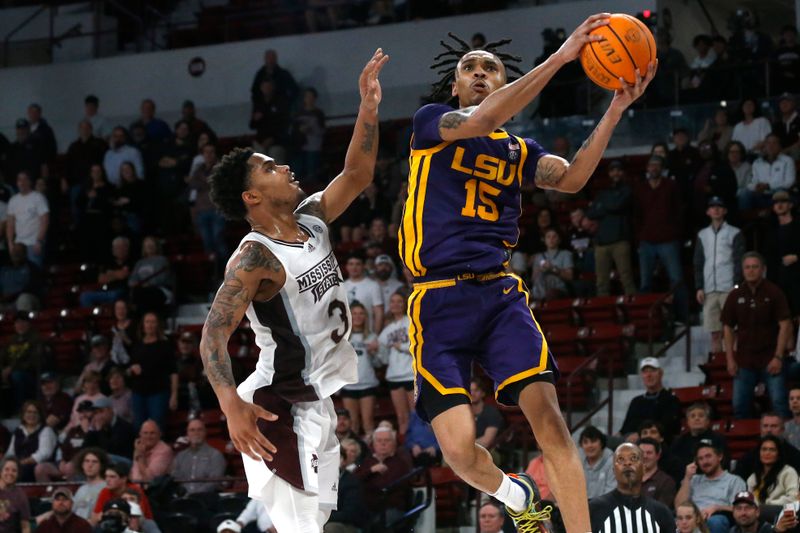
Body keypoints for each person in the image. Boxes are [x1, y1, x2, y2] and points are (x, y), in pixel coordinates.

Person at [400, 17, 655, 530]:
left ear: (502, 82)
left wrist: (614, 109)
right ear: (455, 86)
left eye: (489, 68)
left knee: (551, 421)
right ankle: (514, 491)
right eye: (468, 67)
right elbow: (478, 120)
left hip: (499, 296)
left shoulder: (520, 152)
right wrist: (562, 57)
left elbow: (574, 178)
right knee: (458, 452)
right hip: (437, 300)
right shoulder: (433, 123)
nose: (478, 73)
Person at [199, 50, 387, 533]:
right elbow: (212, 337)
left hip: (316, 399)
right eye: (269, 168)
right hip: (275, 403)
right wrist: (231, 407)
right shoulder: (253, 258)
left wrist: (368, 107)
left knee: (315, 523)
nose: (282, 166)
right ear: (252, 197)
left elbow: (358, 175)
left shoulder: (310, 220)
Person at [722, 252, 793, 419]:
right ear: (742, 270)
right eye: (747, 267)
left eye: (755, 267)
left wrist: (778, 356)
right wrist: (730, 359)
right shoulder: (735, 295)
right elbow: (727, 328)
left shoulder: (774, 292)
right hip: (744, 361)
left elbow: (785, 325)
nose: (751, 271)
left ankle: (783, 442)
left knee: (779, 403)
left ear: (763, 269)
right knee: (739, 405)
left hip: (770, 359)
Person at [634, 155, 687, 320]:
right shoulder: (641, 188)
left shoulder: (671, 186)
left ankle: (682, 317)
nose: (653, 168)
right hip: (647, 240)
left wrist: (676, 232)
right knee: (645, 283)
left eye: (657, 165)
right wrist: (640, 237)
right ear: (647, 168)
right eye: (651, 165)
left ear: (662, 168)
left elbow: (679, 210)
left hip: (668, 239)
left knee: (676, 279)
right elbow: (636, 215)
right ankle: (646, 320)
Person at [694, 196, 745, 353]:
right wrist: (699, 287)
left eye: (719, 206)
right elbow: (698, 262)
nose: (716, 209)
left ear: (725, 211)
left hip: (728, 287)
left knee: (730, 330)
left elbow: (739, 260)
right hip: (709, 289)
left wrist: (736, 285)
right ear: (708, 212)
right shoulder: (702, 235)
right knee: (714, 333)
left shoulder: (735, 232)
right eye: (712, 207)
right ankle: (718, 363)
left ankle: (733, 362)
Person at [589, 443, 674, 533]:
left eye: (634, 458)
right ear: (614, 470)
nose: (627, 463)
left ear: (644, 469)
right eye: (621, 459)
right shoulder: (594, 509)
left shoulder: (661, 513)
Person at [585, 159, 636, 296]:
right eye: (612, 170)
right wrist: (610, 205)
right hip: (602, 242)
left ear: (623, 172)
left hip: (620, 240)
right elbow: (591, 212)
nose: (616, 173)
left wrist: (604, 206)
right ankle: (603, 312)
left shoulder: (627, 189)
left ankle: (634, 309)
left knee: (626, 278)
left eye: (618, 170)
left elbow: (617, 205)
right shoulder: (603, 192)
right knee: (601, 281)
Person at [674, 442, 746, 533]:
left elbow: (741, 508)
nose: (705, 461)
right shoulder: (693, 480)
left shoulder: (734, 481)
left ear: (719, 457)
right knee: (673, 520)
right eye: (700, 459)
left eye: (708, 456)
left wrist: (717, 508)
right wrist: (687, 478)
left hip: (715, 519)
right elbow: (679, 506)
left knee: (715, 521)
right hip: (691, 518)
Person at [128, 313, 178, 430]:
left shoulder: (165, 345)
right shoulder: (137, 345)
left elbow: (173, 371)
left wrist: (174, 394)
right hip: (138, 392)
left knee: (156, 426)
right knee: (138, 427)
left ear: (157, 325)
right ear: (143, 325)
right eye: (147, 322)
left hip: (158, 392)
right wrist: (132, 369)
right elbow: (130, 366)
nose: (150, 325)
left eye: (153, 322)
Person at [353, 426, 413, 524]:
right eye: (379, 440)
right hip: (366, 508)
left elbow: (386, 486)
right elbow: (354, 480)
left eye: (387, 440)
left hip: (391, 508)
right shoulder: (367, 462)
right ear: (373, 444)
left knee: (381, 522)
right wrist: (371, 471)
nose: (383, 443)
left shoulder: (400, 463)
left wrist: (367, 483)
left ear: (394, 443)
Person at [339, 301, 379, 437]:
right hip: (349, 385)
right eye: (354, 313)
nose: (358, 316)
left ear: (365, 316)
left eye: (361, 313)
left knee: (368, 423)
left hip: (367, 383)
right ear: (349, 315)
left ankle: (372, 455)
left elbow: (379, 362)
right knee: (353, 424)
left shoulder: (372, 337)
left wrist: (375, 352)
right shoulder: (342, 337)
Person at [618, 357, 682, 441]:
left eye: (652, 370)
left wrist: (641, 435)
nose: (649, 375)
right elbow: (624, 429)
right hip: (629, 440)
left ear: (660, 373)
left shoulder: (671, 400)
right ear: (642, 376)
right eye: (645, 372)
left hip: (652, 442)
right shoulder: (636, 401)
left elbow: (667, 428)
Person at [377, 290, 413, 435]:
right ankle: (405, 446)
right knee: (401, 417)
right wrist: (377, 351)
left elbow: (420, 348)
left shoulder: (411, 322)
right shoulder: (387, 330)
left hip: (410, 374)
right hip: (394, 376)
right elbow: (383, 357)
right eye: (392, 301)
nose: (395, 304)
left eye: (399, 301)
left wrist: (401, 347)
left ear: (405, 304)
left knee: (416, 415)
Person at [733, 413, 800, 483]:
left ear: (782, 429)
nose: (769, 430)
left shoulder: (795, 456)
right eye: (765, 426)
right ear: (760, 429)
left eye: (774, 426)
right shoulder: (749, 457)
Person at [765, 190, 800, 319]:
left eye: (783, 202)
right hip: (780, 281)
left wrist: (797, 257)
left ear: (790, 205)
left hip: (797, 278)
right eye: (776, 203)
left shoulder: (797, 226)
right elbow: (769, 259)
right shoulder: (771, 230)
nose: (779, 205)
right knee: (784, 321)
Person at [745, 435, 799, 519]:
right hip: (758, 512)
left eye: (772, 450)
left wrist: (767, 504)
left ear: (778, 454)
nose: (767, 453)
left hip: (783, 511)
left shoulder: (788, 472)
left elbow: (793, 498)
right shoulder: (753, 478)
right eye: (764, 449)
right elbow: (751, 501)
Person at [0, 311, 44, 412]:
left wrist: (11, 369)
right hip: (10, 373)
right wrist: (2, 370)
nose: (20, 325)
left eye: (23, 322)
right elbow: (2, 357)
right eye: (17, 323)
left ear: (28, 323)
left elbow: (35, 362)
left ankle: (21, 409)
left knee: (17, 376)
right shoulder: (11, 340)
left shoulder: (36, 338)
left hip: (30, 375)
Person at [170, 418, 226, 494]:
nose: (196, 433)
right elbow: (175, 478)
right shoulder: (180, 456)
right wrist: (184, 493)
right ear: (187, 433)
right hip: (183, 498)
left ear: (205, 432)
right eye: (192, 430)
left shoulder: (215, 455)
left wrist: (195, 494)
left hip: (207, 498)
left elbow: (214, 482)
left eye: (199, 430)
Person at [5, 400, 57, 482]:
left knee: (21, 471)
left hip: (36, 466)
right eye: (28, 412)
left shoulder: (46, 430)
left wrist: (23, 462)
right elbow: (10, 453)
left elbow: (44, 453)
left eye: (35, 412)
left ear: (40, 415)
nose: (31, 415)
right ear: (23, 414)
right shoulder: (18, 431)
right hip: (18, 464)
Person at [740, 134, 796, 210]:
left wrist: (768, 186)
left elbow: (789, 182)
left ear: (780, 146)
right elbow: (752, 182)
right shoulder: (757, 162)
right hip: (761, 194)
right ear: (764, 146)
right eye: (768, 143)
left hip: (778, 194)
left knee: (781, 192)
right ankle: (745, 220)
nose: (771, 146)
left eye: (774, 143)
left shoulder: (787, 160)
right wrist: (756, 186)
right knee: (744, 193)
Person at [6, 171, 49, 267]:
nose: (22, 182)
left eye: (24, 179)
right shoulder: (13, 200)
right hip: (19, 244)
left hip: (33, 243)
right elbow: (10, 224)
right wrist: (10, 243)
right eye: (19, 180)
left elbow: (45, 220)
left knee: (34, 273)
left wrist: (39, 240)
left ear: (29, 182)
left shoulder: (38, 197)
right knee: (20, 274)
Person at [670, 402, 728, 468]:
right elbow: (673, 463)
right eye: (692, 416)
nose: (697, 418)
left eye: (701, 416)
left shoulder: (718, 439)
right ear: (687, 422)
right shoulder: (679, 441)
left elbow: (724, 463)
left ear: (708, 421)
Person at [324, 447, 367, 533]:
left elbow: (349, 514)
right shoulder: (317, 479)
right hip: (320, 520)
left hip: (344, 524)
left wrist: (322, 516)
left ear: (343, 461)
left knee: (330, 528)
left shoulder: (351, 482)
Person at [82, 397, 136, 464]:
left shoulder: (124, 427)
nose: (99, 416)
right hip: (108, 462)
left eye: (101, 411)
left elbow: (110, 450)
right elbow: (84, 449)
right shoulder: (99, 426)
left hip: (124, 461)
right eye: (96, 413)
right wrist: (91, 429)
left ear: (110, 411)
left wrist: (99, 431)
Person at [343, 253, 383, 334]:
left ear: (363, 266)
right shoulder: (341, 286)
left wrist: (376, 335)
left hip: (367, 334)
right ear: (346, 267)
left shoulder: (373, 285)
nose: (354, 267)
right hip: (345, 335)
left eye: (358, 264)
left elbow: (378, 312)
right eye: (351, 264)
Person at [531, 228, 574, 300]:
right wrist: (540, 270)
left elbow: (569, 277)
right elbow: (533, 279)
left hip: (558, 288)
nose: (551, 239)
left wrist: (553, 268)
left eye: (554, 236)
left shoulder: (565, 254)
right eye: (548, 237)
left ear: (559, 240)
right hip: (540, 289)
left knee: (551, 294)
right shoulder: (538, 256)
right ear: (544, 240)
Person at [580, 425, 616, 500]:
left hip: (604, 507)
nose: (589, 445)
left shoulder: (612, 462)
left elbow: (611, 493)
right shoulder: (578, 463)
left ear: (601, 443)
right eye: (585, 442)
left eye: (593, 441)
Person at [71, 448, 108, 520]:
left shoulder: (106, 487)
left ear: (101, 466)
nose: (90, 465)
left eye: (94, 462)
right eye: (87, 461)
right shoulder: (81, 489)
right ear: (82, 465)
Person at [639, 437, 677, 509]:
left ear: (658, 455)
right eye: (641, 453)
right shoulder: (628, 479)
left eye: (649, 453)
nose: (644, 456)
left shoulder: (666, 482)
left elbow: (660, 511)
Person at [0, 457, 31, 533]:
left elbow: (25, 526)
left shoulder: (20, 495)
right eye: (6, 469)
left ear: (18, 474)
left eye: (14, 471)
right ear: (0, 471)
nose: (10, 473)